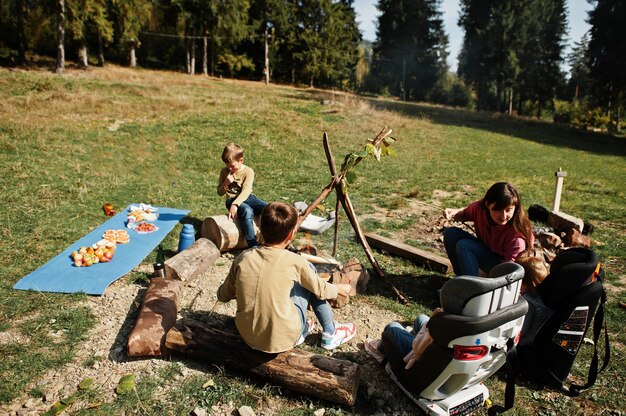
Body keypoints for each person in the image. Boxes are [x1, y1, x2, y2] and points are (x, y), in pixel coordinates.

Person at [217, 201, 356, 353]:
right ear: (291, 234)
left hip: (247, 335)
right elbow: (320, 290)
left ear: (260, 228)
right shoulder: (296, 262)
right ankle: (330, 331)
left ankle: (305, 327)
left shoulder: (243, 258)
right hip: (281, 340)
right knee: (308, 276)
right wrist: (338, 289)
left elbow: (223, 296)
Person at [443, 182, 534, 277]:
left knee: (465, 245)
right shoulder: (479, 209)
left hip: (503, 267)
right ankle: (461, 279)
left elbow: (511, 271)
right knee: (451, 233)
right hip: (487, 250)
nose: (503, 216)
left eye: (508, 210)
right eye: (498, 210)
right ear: (487, 204)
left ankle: (472, 288)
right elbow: (465, 213)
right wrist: (453, 213)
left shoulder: (516, 237)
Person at [216, 143, 268, 247]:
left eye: (232, 165)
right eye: (227, 165)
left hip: (247, 197)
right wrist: (226, 183)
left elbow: (246, 190)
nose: (229, 168)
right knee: (247, 211)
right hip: (231, 200)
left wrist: (236, 205)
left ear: (241, 160)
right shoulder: (224, 171)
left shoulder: (248, 171)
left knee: (269, 208)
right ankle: (252, 244)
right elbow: (219, 192)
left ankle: (274, 238)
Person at [365, 308, 443, 368]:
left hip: (417, 352)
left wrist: (433, 321)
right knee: (422, 318)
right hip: (429, 343)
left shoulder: (443, 332)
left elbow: (417, 349)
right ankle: (408, 337)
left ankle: (380, 351)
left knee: (392, 327)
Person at [516, 255, 553, 347]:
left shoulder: (527, 304)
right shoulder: (547, 296)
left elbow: (519, 332)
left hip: (524, 345)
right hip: (540, 342)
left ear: (525, 283)